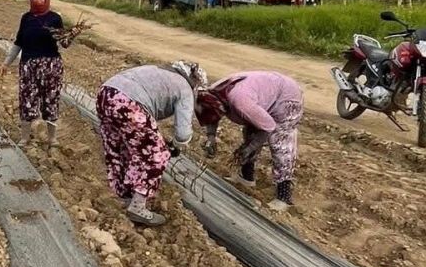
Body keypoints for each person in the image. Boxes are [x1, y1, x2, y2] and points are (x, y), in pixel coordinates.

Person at [97, 61, 206, 227]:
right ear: (195, 82)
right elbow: (183, 134)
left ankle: (123, 194)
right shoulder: (185, 89)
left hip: (105, 94)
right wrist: (175, 145)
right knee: (157, 155)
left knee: (119, 148)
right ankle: (137, 207)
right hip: (128, 103)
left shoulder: (160, 71)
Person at [196, 71, 304, 211]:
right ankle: (247, 177)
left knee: (280, 142)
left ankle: (284, 196)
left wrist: (250, 147)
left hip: (286, 96)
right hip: (263, 94)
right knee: (250, 132)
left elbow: (268, 126)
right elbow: (211, 117)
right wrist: (211, 137)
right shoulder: (211, 94)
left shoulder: (241, 102)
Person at [2, 0, 71, 147]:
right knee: (27, 99)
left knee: (51, 100)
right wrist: (7, 62)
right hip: (29, 66)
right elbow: (19, 42)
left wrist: (70, 35)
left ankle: (52, 138)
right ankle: (25, 138)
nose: (38, 0)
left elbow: (64, 43)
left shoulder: (55, 18)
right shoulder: (26, 18)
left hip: (51, 66)